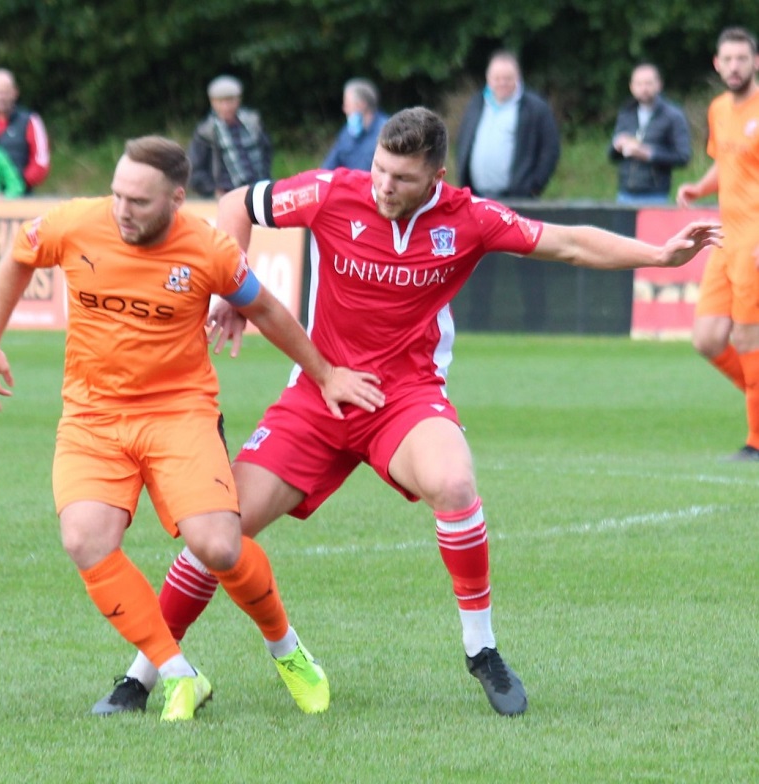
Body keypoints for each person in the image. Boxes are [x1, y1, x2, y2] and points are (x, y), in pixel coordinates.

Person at [98, 108, 721, 718]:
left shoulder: (469, 218)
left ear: (436, 176)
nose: (383, 186)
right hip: (319, 393)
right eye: (378, 170)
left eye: (401, 177)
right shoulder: (330, 191)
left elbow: (571, 244)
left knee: (454, 482)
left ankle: (483, 651)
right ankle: (140, 677)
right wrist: (229, 290)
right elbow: (236, 202)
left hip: (405, 397)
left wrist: (660, 256)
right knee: (220, 533)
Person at [0, 135, 386, 721]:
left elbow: (267, 307)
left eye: (139, 201)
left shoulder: (209, 249)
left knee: (218, 545)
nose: (122, 210)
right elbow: (18, 256)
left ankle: (289, 652)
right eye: (117, 194)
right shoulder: (73, 224)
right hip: (93, 417)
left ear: (176, 198)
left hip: (179, 414)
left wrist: (325, 375)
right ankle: (177, 674)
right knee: (85, 540)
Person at [676, 26, 759, 462]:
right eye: (726, 59)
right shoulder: (719, 108)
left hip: (755, 240)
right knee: (708, 339)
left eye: (741, 58)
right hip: (726, 236)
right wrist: (698, 187)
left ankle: (756, 442)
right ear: (716, 64)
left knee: (749, 337)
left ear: (756, 62)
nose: (733, 66)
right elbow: (726, 165)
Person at [454, 51, 561, 332]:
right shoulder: (477, 104)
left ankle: (536, 323)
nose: (502, 83)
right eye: (497, 78)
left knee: (529, 262)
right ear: (488, 79)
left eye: (507, 78)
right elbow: (464, 143)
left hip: (518, 200)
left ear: (518, 78)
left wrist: (532, 186)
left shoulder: (534, 107)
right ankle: (478, 322)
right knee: (477, 265)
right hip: (478, 199)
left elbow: (550, 150)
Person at [609, 63, 691, 205]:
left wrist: (648, 153)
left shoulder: (673, 116)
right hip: (625, 194)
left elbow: (683, 156)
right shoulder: (626, 113)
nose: (644, 88)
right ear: (631, 86)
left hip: (655, 195)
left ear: (659, 85)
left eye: (648, 83)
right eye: (639, 84)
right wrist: (617, 145)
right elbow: (611, 155)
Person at [188, 75, 272, 199]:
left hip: (258, 188)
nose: (226, 107)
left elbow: (266, 153)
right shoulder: (206, 132)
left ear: (238, 100)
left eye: (230, 101)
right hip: (227, 194)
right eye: (221, 102)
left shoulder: (253, 123)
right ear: (212, 102)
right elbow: (194, 170)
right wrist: (212, 190)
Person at [0, 68, 51, 193]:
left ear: (15, 92)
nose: (1, 97)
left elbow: (41, 163)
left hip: (21, 198)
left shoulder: (31, 120)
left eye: (5, 92)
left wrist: (15, 183)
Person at [321, 78, 389, 171]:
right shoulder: (347, 132)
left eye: (347, 104)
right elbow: (327, 168)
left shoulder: (388, 132)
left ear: (361, 105)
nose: (344, 109)